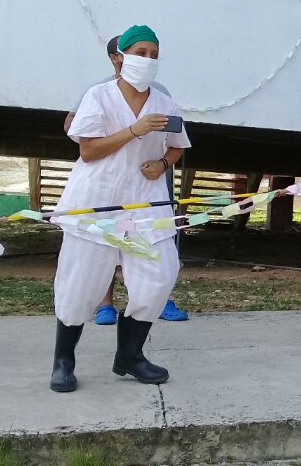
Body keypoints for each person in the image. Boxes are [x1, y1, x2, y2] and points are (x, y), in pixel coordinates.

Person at [51, 25, 190, 392]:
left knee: (157, 276)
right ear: (119, 57)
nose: (148, 60)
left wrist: (161, 164)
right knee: (80, 284)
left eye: (154, 54)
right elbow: (88, 150)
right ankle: (64, 361)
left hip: (144, 211)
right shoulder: (97, 97)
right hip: (96, 209)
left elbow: (177, 146)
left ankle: (129, 356)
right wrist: (135, 129)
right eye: (140, 53)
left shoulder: (164, 101)